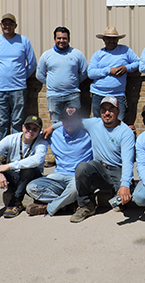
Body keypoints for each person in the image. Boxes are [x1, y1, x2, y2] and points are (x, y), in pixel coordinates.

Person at [43, 95, 135, 223]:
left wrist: (125, 185)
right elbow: (73, 120)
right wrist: (52, 127)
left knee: (132, 199)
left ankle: (122, 190)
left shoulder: (125, 132)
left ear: (118, 111)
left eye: (111, 110)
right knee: (82, 167)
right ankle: (86, 206)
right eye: (104, 110)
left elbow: (128, 161)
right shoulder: (94, 123)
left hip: (116, 170)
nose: (107, 113)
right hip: (99, 169)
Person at [0, 115, 48, 226]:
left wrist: (9, 166)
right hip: (14, 177)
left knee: (28, 168)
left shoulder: (41, 142)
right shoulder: (11, 139)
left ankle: (16, 203)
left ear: (39, 131)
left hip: (31, 178)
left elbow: (36, 160)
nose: (30, 131)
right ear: (23, 127)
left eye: (35, 129)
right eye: (28, 127)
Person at [25, 107, 92, 216]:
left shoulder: (89, 134)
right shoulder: (53, 134)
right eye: (65, 120)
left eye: (73, 120)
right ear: (61, 121)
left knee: (75, 189)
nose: (69, 123)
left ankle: (49, 208)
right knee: (31, 187)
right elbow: (29, 135)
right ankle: (66, 204)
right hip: (58, 175)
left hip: (77, 177)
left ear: (79, 121)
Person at [0, 13, 37, 139]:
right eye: (5, 24)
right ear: (1, 25)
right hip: (0, 89)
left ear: (15, 25)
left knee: (18, 122)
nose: (7, 26)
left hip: (18, 89)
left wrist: (21, 76)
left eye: (10, 24)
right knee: (3, 122)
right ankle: (4, 152)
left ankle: (16, 151)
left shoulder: (23, 41)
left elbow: (32, 63)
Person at [36, 26, 88, 124]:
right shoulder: (47, 55)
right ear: (54, 39)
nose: (61, 40)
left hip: (72, 95)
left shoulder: (77, 54)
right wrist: (52, 83)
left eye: (64, 38)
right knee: (56, 123)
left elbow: (84, 72)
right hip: (54, 95)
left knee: (74, 123)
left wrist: (74, 81)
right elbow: (39, 74)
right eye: (59, 38)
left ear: (69, 39)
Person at [88, 26, 139, 121]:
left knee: (119, 122)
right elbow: (91, 73)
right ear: (103, 39)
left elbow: (137, 62)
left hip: (118, 94)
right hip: (98, 93)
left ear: (117, 39)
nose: (111, 41)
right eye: (108, 38)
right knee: (98, 123)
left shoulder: (125, 50)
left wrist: (126, 68)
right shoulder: (98, 54)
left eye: (114, 39)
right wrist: (109, 70)